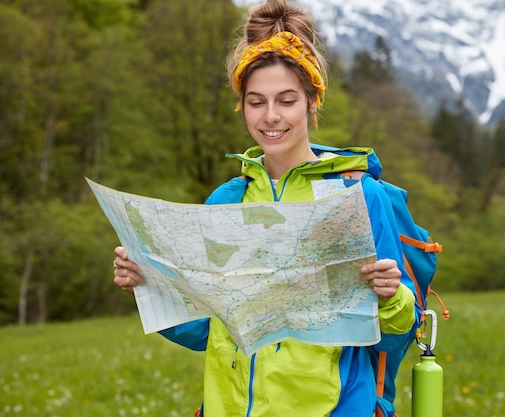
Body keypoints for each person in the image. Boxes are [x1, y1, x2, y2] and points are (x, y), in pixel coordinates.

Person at [113, 1, 420, 416]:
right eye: (256, 102)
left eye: (286, 100)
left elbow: (397, 329)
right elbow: (208, 329)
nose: (271, 117)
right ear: (242, 105)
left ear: (313, 102)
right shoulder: (226, 201)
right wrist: (149, 283)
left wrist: (389, 296)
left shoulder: (358, 196)